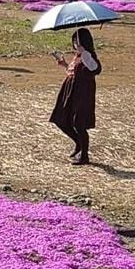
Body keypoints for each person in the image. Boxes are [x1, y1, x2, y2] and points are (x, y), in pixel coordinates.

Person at [50, 27, 101, 165]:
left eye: (77, 41)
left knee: (79, 123)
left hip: (82, 93)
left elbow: (96, 69)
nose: (75, 45)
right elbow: (74, 72)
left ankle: (84, 155)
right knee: (61, 119)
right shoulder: (77, 56)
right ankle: (78, 143)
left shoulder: (87, 55)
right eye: (74, 42)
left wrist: (85, 54)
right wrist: (65, 65)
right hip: (70, 90)